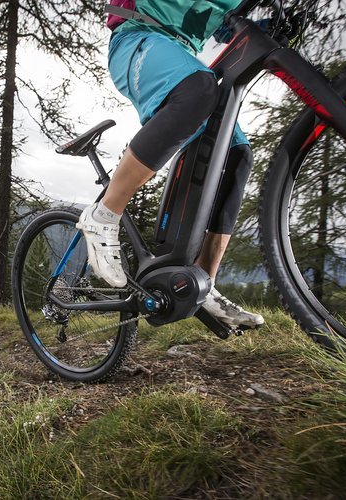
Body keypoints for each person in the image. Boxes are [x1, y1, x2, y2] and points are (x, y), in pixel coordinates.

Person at [77, 0, 264, 328]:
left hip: (181, 51)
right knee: (198, 91)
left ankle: (203, 284)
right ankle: (103, 215)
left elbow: (219, 22)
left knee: (237, 153)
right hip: (137, 36)